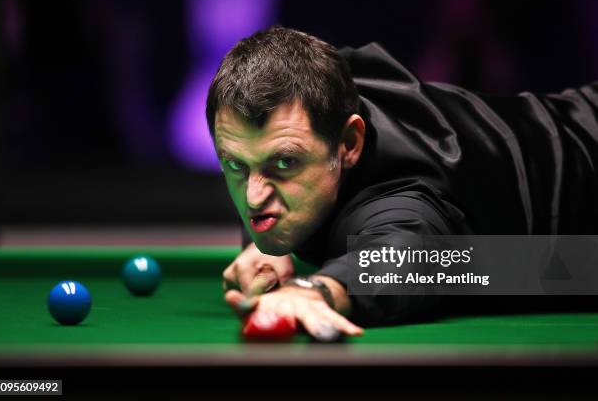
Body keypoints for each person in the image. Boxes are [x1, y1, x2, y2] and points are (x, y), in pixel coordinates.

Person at [205, 26, 598, 335]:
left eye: (285, 163)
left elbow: (414, 255)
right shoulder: (318, 89)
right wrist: (269, 246)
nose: (254, 197)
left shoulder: (403, 195)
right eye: (236, 166)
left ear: (349, 143)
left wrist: (317, 291)